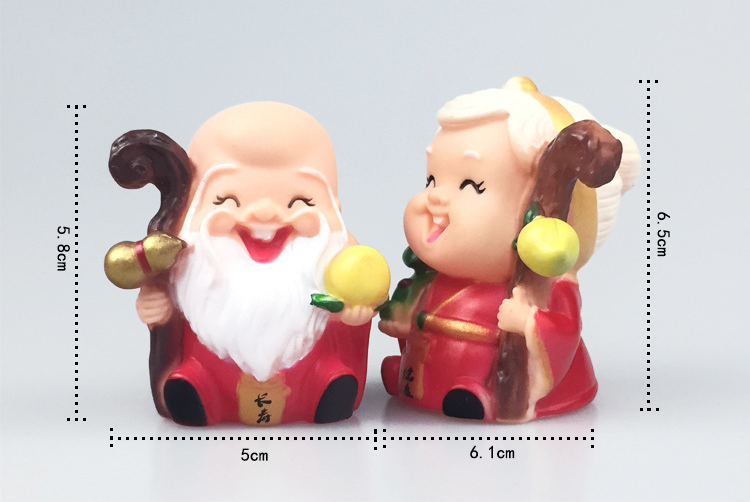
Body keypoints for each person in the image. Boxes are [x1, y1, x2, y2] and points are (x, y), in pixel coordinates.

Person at [379, 77, 640, 421]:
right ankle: (413, 379)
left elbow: (563, 329)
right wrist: (402, 316)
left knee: (467, 389)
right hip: (428, 364)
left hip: (482, 381)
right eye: (431, 180)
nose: (435, 198)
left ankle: (476, 393)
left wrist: (530, 323)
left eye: (471, 185)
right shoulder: (432, 278)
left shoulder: (545, 288)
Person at [116, 102, 375, 426]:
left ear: (334, 207)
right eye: (227, 200)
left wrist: (353, 315)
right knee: (192, 379)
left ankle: (324, 386)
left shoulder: (339, 257)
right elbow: (167, 313)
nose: (264, 214)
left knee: (330, 374)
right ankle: (197, 387)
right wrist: (159, 309)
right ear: (191, 206)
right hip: (209, 367)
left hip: (311, 370)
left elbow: (354, 309)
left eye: (301, 201)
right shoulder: (186, 260)